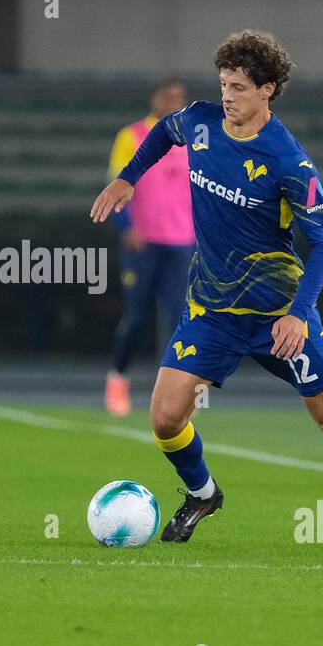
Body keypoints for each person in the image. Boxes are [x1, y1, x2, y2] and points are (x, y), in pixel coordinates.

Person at [90, 30, 323, 548]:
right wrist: (128, 178)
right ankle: (203, 494)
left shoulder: (289, 161)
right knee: (165, 418)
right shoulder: (200, 122)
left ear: (268, 90)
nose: (227, 95)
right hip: (212, 310)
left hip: (277, 314)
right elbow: (163, 133)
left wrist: (298, 314)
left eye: (239, 87)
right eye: (224, 83)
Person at [104, 78, 195, 416]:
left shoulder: (194, 140)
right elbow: (116, 183)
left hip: (181, 244)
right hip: (143, 244)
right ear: (154, 99)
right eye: (166, 96)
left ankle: (178, 393)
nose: (172, 102)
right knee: (137, 317)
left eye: (178, 97)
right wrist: (126, 227)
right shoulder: (131, 136)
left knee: (180, 319)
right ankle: (118, 378)